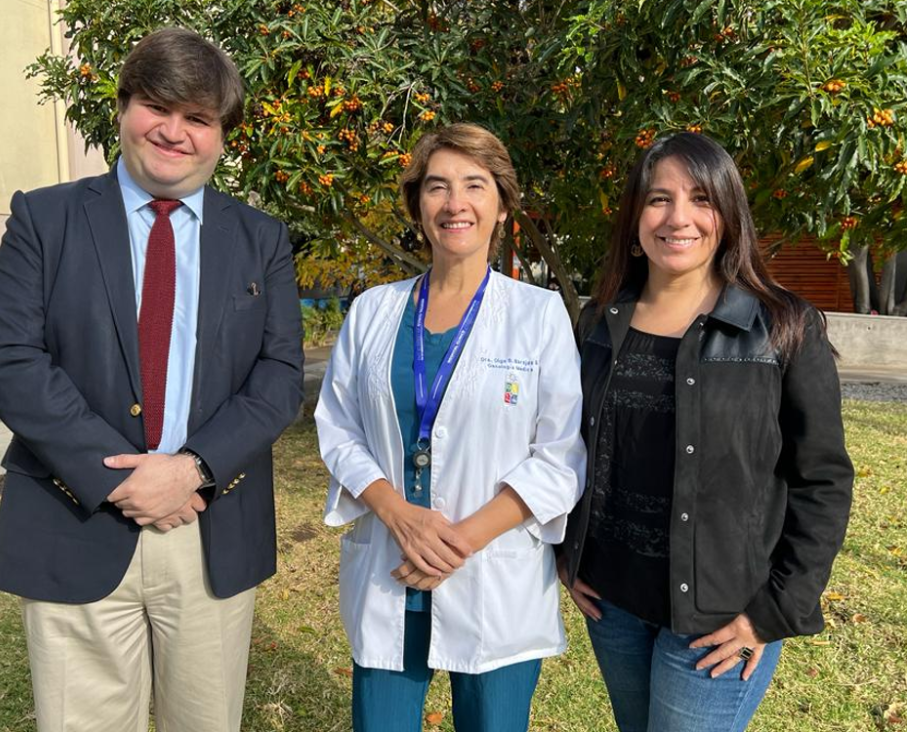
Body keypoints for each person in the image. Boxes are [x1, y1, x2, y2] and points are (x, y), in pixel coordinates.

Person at [0, 27, 303, 732]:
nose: (175, 131)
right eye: (158, 106)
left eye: (199, 118)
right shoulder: (44, 218)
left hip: (209, 523)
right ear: (124, 108)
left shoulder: (261, 239)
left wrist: (192, 468)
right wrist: (124, 478)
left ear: (222, 136)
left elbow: (279, 375)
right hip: (78, 517)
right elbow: (13, 361)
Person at [557, 132, 854, 732]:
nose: (678, 218)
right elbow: (572, 447)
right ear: (636, 217)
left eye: (700, 198)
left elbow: (822, 479)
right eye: (658, 199)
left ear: (728, 213)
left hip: (719, 617)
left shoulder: (783, 327)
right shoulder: (599, 321)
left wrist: (773, 612)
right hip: (612, 601)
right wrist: (570, 553)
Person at [315, 123, 587, 732]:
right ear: (417, 206)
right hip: (393, 565)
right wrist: (398, 514)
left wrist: (456, 543)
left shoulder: (538, 316)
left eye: (474, 185)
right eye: (436, 187)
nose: (455, 203)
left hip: (490, 573)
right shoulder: (373, 311)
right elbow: (337, 427)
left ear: (501, 203)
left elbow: (560, 455)